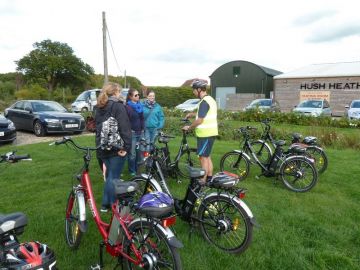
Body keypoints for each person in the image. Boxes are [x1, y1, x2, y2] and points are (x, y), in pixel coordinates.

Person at [95, 82, 131, 212]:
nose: (120, 94)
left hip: (102, 146)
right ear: (115, 92)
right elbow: (125, 128)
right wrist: (126, 147)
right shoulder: (118, 106)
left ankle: (107, 203)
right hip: (116, 148)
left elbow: (98, 129)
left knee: (110, 174)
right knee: (114, 177)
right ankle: (108, 204)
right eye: (119, 91)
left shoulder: (99, 106)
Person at [182, 79, 218, 183]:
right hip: (210, 133)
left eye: (194, 90)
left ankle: (203, 180)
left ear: (199, 89)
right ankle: (210, 177)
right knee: (207, 156)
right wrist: (191, 114)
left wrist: (189, 127)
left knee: (203, 158)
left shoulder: (204, 102)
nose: (193, 92)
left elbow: (200, 120)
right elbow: (203, 114)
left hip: (205, 134)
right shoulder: (210, 99)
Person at [126, 88, 144, 175]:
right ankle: (132, 170)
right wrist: (130, 130)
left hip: (140, 132)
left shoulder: (140, 106)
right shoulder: (128, 107)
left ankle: (137, 168)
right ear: (130, 97)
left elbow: (142, 118)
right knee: (132, 153)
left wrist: (142, 128)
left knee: (138, 152)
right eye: (136, 95)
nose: (138, 96)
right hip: (132, 133)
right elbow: (126, 121)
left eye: (138, 94)